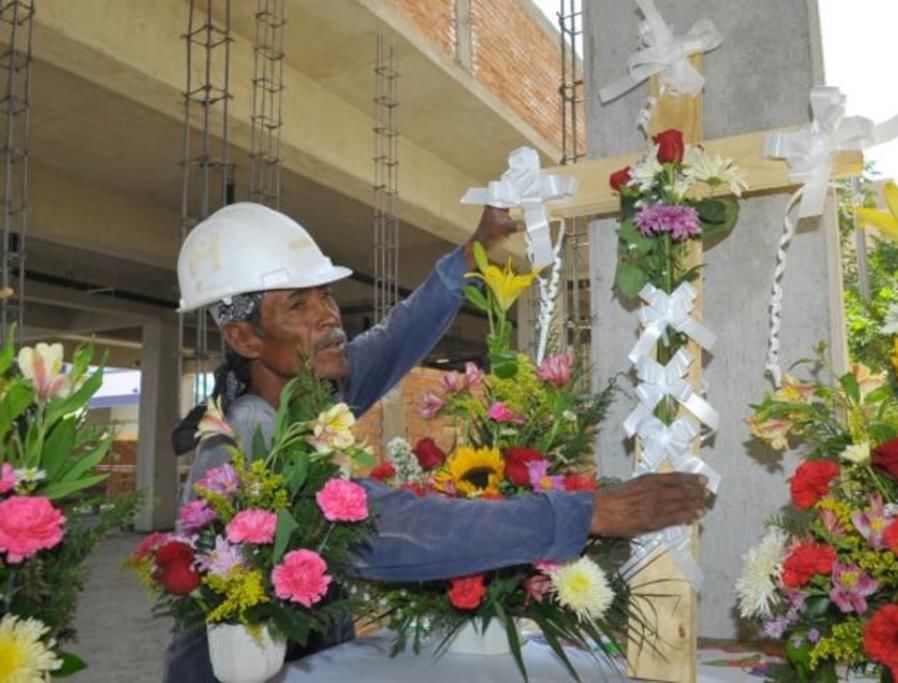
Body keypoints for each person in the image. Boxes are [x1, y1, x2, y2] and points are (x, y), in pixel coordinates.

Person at [165, 202, 710, 681]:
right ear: (243, 337)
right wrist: (584, 514)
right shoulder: (251, 443)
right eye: (297, 306)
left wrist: (466, 259)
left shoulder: (307, 396)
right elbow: (392, 528)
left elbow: (390, 341)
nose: (329, 317)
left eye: (325, 296)